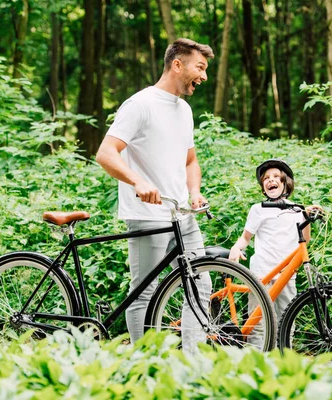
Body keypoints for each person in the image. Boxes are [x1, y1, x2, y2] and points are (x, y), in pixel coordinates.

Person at [96, 38, 214, 352]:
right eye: (199, 68)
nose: (203, 76)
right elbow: (107, 153)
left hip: (182, 217)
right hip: (148, 216)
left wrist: (195, 191)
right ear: (178, 64)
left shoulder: (185, 110)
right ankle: (143, 364)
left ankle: (192, 361)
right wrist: (137, 181)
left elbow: (190, 160)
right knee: (144, 294)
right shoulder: (141, 104)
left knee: (200, 284)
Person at [228, 159, 324, 346]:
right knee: (259, 323)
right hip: (262, 273)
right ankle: (256, 360)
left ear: (285, 183)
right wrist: (237, 248)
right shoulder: (258, 209)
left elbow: (305, 239)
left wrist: (307, 216)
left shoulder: (296, 209)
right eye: (266, 178)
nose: (270, 180)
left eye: (275, 177)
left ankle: (283, 358)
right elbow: (246, 238)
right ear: (264, 187)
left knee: (287, 319)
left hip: (287, 275)